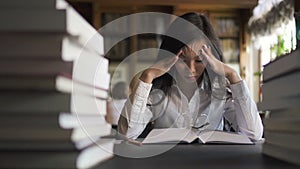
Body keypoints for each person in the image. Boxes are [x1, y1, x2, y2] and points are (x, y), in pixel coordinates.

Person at [118, 12, 263, 141]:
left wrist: (233, 75)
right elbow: (126, 134)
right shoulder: (158, 92)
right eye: (182, 60)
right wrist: (148, 75)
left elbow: (253, 134)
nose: (191, 69)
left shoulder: (221, 92)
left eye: (199, 61)